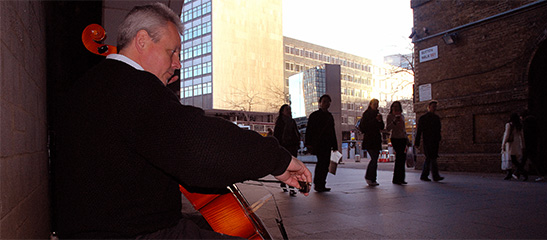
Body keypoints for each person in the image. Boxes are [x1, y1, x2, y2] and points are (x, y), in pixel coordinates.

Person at [53, 3, 312, 239]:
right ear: (142, 41)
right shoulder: (132, 86)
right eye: (172, 51)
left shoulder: (91, 85)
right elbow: (198, 147)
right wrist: (277, 159)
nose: (177, 63)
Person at [305, 94, 338, 192]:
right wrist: (309, 144)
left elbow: (332, 132)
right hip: (318, 144)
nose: (326, 104)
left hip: (327, 143)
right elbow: (309, 130)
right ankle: (319, 183)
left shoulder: (329, 116)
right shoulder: (314, 115)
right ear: (320, 103)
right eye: (324, 101)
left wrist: (335, 145)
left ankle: (321, 183)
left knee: (325, 164)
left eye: (328, 102)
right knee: (321, 163)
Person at [274, 104, 301, 196]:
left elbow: (296, 134)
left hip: (292, 147)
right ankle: (285, 182)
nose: (289, 111)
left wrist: (297, 144)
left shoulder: (292, 122)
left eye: (290, 109)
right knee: (285, 167)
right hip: (284, 147)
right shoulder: (280, 123)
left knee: (292, 168)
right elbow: (277, 136)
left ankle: (291, 187)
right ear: (282, 111)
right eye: (287, 109)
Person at [415, 100, 444, 182]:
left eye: (435, 107)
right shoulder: (425, 118)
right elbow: (419, 131)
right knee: (432, 158)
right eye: (433, 106)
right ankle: (434, 175)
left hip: (433, 141)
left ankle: (425, 175)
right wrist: (417, 142)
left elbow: (438, 130)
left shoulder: (433, 118)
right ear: (429, 107)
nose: (434, 108)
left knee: (430, 158)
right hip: (428, 141)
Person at [359, 99, 385, 186]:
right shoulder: (366, 114)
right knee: (374, 158)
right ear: (370, 104)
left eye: (377, 104)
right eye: (374, 104)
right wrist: (375, 120)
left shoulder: (378, 114)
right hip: (369, 139)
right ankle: (369, 177)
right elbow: (363, 127)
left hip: (376, 139)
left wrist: (380, 120)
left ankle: (373, 178)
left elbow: (382, 127)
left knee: (375, 159)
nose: (376, 106)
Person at [385, 101, 409, 185]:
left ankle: (401, 178)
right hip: (395, 138)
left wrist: (406, 138)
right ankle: (396, 178)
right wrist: (394, 121)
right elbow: (388, 128)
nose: (395, 108)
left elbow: (403, 128)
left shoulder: (402, 116)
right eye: (394, 106)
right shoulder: (390, 116)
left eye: (397, 106)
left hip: (402, 137)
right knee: (399, 157)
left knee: (402, 158)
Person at [501, 112, 527, 180]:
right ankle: (511, 173)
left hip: (510, 143)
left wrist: (503, 144)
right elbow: (522, 136)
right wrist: (523, 145)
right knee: (513, 159)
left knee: (510, 159)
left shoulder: (509, 125)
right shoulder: (519, 125)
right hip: (517, 143)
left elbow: (506, 135)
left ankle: (523, 172)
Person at [520, 110, 544, 181]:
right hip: (534, 143)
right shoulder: (534, 121)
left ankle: (540, 174)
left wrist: (524, 144)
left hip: (528, 144)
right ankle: (517, 173)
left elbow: (526, 134)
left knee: (531, 159)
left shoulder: (526, 122)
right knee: (526, 159)